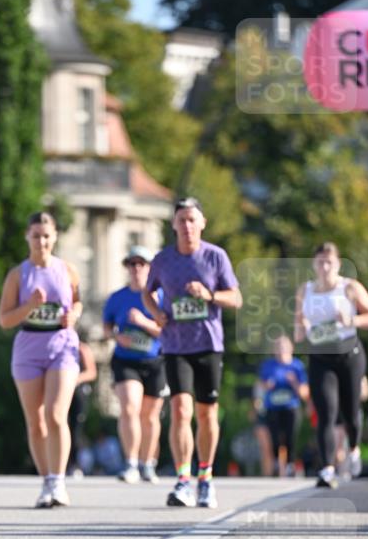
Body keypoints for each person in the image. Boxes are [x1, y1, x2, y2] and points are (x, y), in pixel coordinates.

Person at [142, 198, 242, 507]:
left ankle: (205, 478)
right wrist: (156, 312)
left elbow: (236, 298)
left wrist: (209, 295)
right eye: (181, 220)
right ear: (173, 225)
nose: (186, 226)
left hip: (208, 344)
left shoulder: (215, 257)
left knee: (206, 412)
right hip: (175, 345)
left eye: (191, 220)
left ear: (202, 224)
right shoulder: (163, 259)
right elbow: (147, 292)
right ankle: (183, 479)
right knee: (181, 410)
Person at [0, 211, 81, 508]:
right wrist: (30, 305)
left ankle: (59, 481)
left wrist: (75, 314)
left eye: (47, 236)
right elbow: (5, 320)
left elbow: (78, 300)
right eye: (36, 236)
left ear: (55, 237)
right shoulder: (18, 275)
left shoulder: (68, 270)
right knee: (36, 422)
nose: (42, 241)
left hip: (62, 346)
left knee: (57, 415)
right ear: (27, 237)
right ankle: (46, 481)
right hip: (28, 349)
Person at [294, 242, 368, 489]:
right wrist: (302, 324)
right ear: (313, 264)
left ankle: (353, 448)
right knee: (326, 413)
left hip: (349, 356)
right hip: (321, 358)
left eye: (329, 262)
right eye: (320, 262)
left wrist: (351, 319)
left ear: (338, 264)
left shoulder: (350, 288)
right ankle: (327, 469)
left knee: (350, 413)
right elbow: (298, 335)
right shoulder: (305, 290)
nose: (324, 267)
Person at [103, 246, 167, 484]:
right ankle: (130, 462)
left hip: (154, 360)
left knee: (149, 416)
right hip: (125, 360)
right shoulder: (117, 298)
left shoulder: (160, 296)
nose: (137, 268)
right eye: (132, 264)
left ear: (150, 268)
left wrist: (143, 322)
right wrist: (116, 337)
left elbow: (167, 331)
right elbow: (107, 327)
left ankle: (147, 463)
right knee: (129, 407)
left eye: (142, 263)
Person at [257, 335, 309, 477]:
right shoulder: (268, 365)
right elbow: (260, 386)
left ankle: (290, 464)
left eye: (284, 348)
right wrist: (267, 386)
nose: (281, 351)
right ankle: (276, 463)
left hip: (291, 407)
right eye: (278, 348)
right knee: (274, 438)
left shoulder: (297, 366)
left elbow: (304, 393)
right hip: (273, 408)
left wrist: (294, 383)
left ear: (291, 349)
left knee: (290, 437)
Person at [67, 336, 97, 477]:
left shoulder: (82, 348)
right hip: (60, 391)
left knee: (75, 429)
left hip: (77, 391)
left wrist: (73, 379)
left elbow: (91, 372)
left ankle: (74, 464)